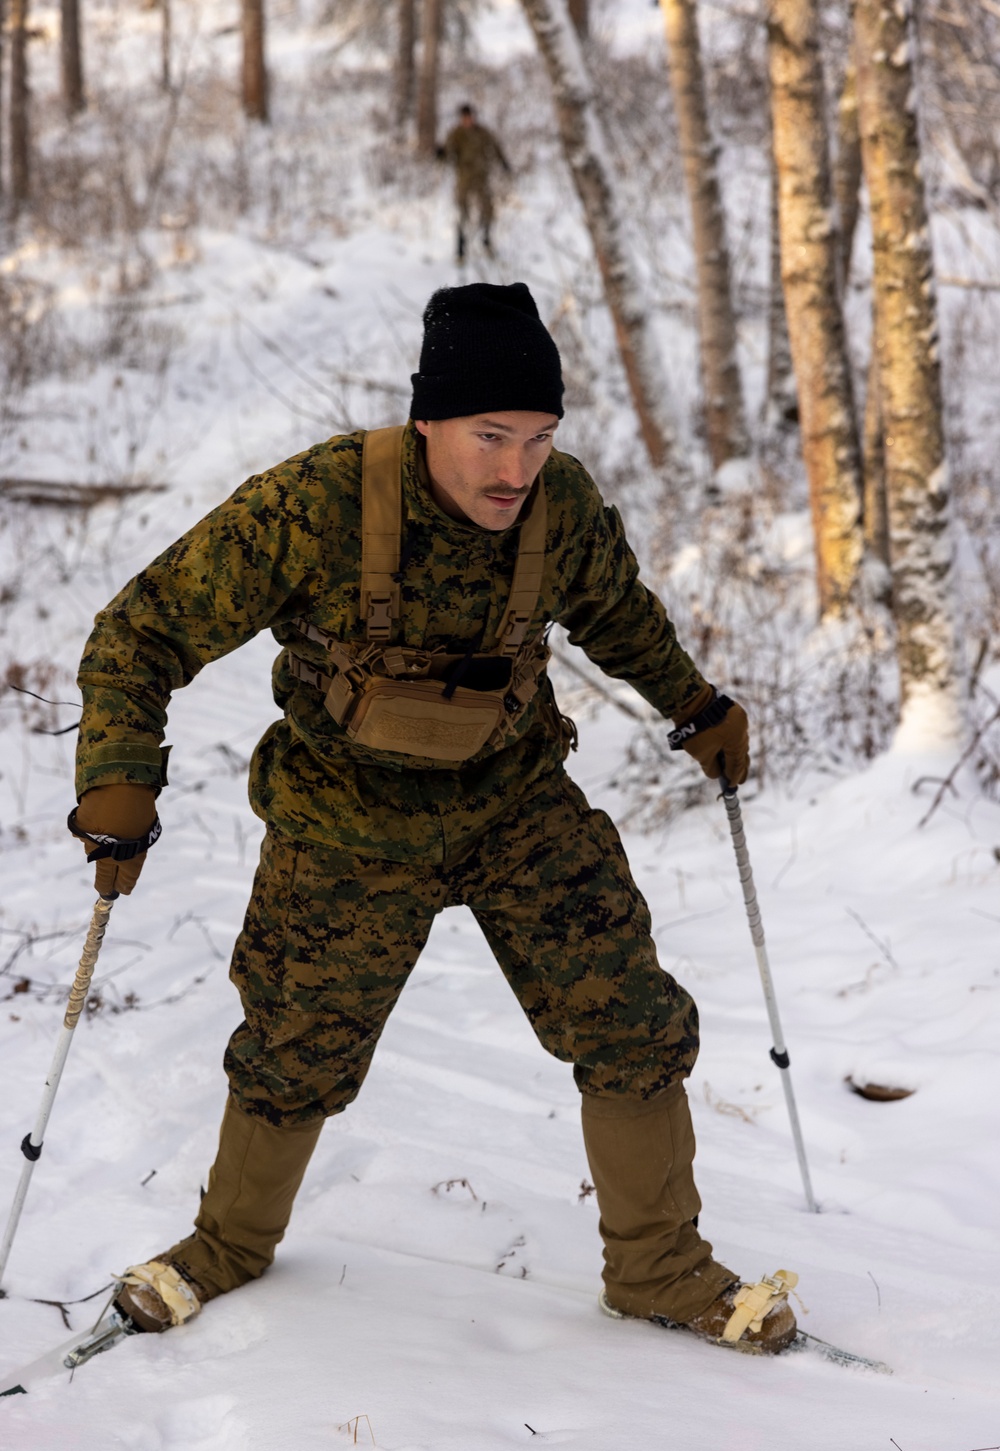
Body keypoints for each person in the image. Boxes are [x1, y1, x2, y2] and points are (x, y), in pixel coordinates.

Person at [70, 282, 797, 1356]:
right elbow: (141, 630)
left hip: (512, 803)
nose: (514, 470)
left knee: (631, 1015)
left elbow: (613, 611)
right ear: (429, 421)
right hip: (343, 819)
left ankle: (657, 1265)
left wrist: (693, 703)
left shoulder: (562, 506)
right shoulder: (316, 504)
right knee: (294, 1047)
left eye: (538, 438)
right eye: (490, 436)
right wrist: (120, 774)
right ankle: (225, 1243)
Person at [439, 104, 511, 264]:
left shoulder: (482, 132)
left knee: (487, 209)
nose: (468, 120)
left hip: (481, 177)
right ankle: (460, 249)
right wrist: (440, 153)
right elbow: (447, 152)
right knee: (462, 212)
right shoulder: (456, 134)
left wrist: (503, 162)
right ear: (461, 118)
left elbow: (495, 146)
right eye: (465, 117)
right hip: (464, 178)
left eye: (470, 117)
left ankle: (486, 241)